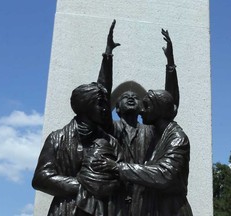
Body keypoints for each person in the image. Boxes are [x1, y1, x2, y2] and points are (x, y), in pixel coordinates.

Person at [92, 29, 193, 216]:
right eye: (125, 97)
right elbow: (101, 98)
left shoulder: (152, 131)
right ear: (117, 108)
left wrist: (171, 65)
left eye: (136, 97)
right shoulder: (111, 129)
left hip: (147, 202)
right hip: (117, 202)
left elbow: (170, 104)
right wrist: (107, 56)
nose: (131, 97)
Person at [32, 21, 125, 216]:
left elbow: (121, 179)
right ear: (85, 105)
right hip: (67, 210)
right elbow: (41, 178)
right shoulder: (57, 138)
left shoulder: (111, 141)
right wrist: (84, 184)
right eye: (99, 104)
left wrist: (107, 184)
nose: (104, 109)